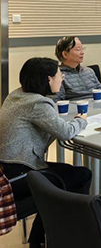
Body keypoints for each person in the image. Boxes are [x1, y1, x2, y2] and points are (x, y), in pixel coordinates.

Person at [0, 57, 90, 248]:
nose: (62, 78)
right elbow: (66, 132)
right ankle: (70, 231)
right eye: (59, 74)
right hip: (19, 174)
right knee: (81, 176)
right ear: (48, 79)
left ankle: (40, 238)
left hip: (7, 170)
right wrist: (81, 120)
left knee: (68, 176)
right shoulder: (38, 103)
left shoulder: (16, 95)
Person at [53, 36, 101, 101]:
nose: (82, 52)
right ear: (65, 54)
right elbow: (57, 101)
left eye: (82, 48)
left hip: (97, 104)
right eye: (78, 49)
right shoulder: (58, 75)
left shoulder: (89, 71)